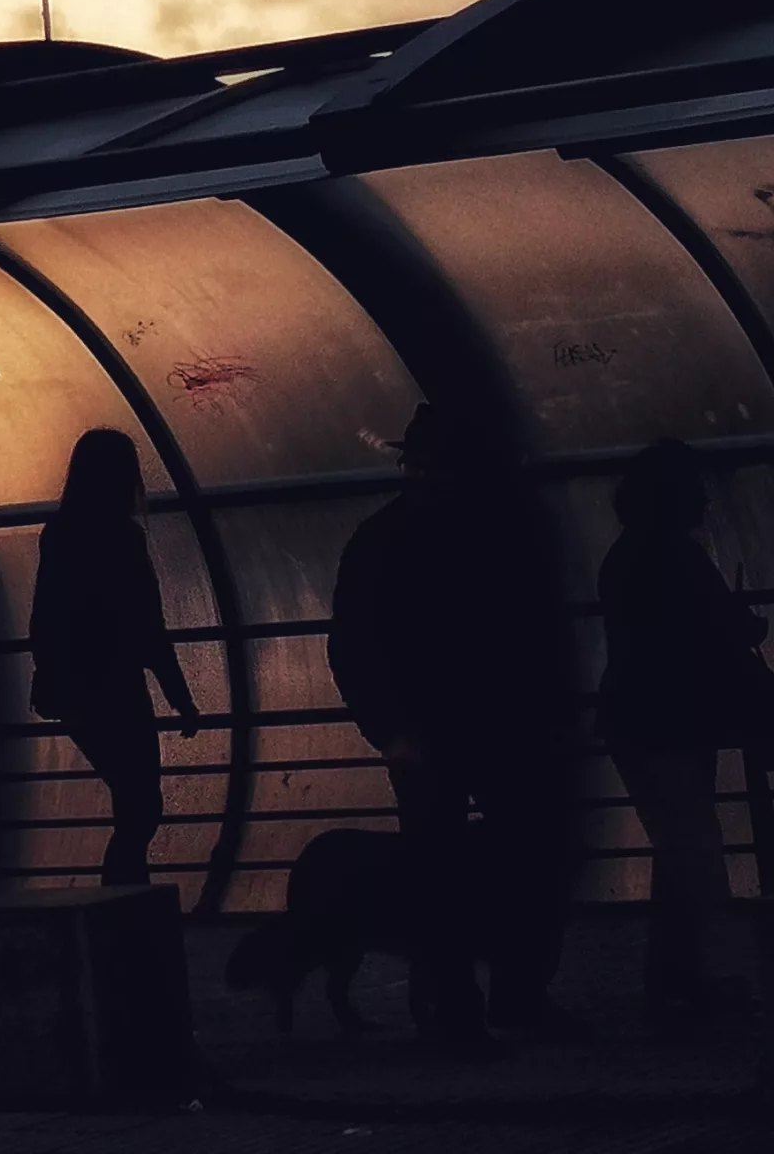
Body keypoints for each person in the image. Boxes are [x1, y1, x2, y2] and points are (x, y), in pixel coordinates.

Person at [328, 403, 579, 1048]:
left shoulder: (382, 539)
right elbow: (540, 637)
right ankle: (512, 994)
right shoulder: (509, 532)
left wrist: (390, 730)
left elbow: (354, 646)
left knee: (436, 869)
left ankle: (457, 1005)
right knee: (527, 860)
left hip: (434, 734)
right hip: (506, 730)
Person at [599, 437, 768, 1029]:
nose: (703, 499)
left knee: (681, 847)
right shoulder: (675, 557)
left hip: (642, 720)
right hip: (672, 722)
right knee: (693, 849)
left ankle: (676, 981)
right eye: (693, 488)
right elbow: (714, 630)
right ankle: (690, 979)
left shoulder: (628, 556)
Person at [29, 427, 200, 885]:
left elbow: (45, 616)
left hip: (75, 688)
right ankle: (126, 902)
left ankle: (123, 906)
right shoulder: (123, 537)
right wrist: (179, 695)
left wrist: (52, 677)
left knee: (132, 801)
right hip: (118, 686)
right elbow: (148, 624)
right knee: (141, 804)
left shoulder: (59, 533)